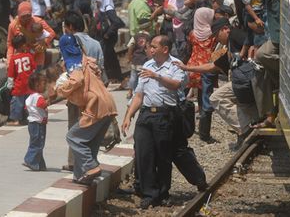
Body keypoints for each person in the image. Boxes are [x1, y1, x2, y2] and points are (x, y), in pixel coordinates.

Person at [121, 35, 187, 209]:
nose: (150, 49)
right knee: (144, 154)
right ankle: (149, 193)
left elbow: (176, 84)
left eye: (154, 46)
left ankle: (163, 193)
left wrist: (157, 76)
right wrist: (129, 115)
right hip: (146, 115)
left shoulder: (175, 64)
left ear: (165, 49)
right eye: (150, 47)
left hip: (164, 115)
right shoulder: (147, 65)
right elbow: (139, 95)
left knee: (163, 156)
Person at [174, 18, 259, 150]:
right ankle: (246, 128)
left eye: (217, 36)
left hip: (249, 80)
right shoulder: (228, 47)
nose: (216, 40)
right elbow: (212, 66)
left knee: (216, 98)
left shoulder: (234, 35)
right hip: (242, 82)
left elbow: (252, 42)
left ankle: (246, 127)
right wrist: (187, 68)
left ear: (225, 30)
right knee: (221, 98)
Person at [55, 39, 118, 186]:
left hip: (97, 106)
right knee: (89, 142)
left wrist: (62, 89)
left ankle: (90, 167)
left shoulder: (74, 64)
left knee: (73, 137)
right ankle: (80, 175)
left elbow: (78, 80)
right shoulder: (87, 62)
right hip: (107, 104)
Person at [250, 0, 280, 128]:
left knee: (262, 55)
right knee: (258, 67)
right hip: (271, 34)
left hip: (280, 38)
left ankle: (284, 72)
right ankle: (268, 114)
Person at [186, 8, 217, 143]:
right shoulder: (212, 34)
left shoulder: (192, 33)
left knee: (186, 96)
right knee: (205, 100)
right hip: (207, 68)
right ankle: (205, 134)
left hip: (193, 67)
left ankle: (187, 126)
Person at [90, 0, 123, 82]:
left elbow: (116, 22)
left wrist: (107, 34)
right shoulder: (101, 9)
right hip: (103, 37)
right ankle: (116, 76)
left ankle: (108, 78)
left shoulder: (109, 8)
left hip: (108, 37)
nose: (96, 3)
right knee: (110, 56)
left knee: (105, 56)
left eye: (97, 0)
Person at [6, 1, 56, 68]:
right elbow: (10, 45)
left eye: (28, 16)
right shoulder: (13, 25)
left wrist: (44, 42)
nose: (26, 18)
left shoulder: (38, 21)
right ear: (19, 14)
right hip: (21, 59)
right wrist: (9, 61)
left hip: (37, 56)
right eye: (23, 16)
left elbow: (52, 33)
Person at [7, 34, 36, 126]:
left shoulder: (13, 59)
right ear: (23, 45)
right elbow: (34, 69)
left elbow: (11, 74)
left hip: (19, 85)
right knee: (29, 102)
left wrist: (10, 86)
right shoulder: (29, 56)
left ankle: (15, 119)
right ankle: (29, 117)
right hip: (29, 84)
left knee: (17, 103)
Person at [23, 72, 49, 171]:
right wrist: (48, 101)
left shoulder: (29, 97)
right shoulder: (39, 97)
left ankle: (40, 164)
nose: (45, 86)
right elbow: (42, 104)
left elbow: (26, 108)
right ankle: (29, 160)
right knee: (39, 144)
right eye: (44, 84)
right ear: (37, 85)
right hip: (39, 124)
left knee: (35, 142)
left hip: (32, 123)